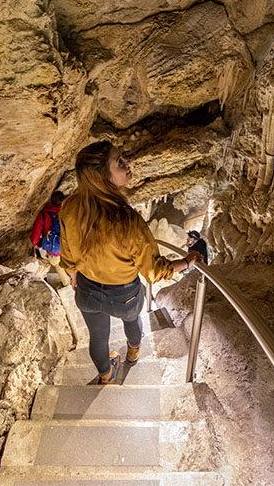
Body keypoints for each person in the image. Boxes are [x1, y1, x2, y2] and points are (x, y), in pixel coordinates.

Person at [59, 141, 202, 385]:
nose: (128, 164)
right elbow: (154, 271)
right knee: (133, 321)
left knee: (97, 336)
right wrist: (187, 261)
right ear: (104, 177)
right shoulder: (127, 220)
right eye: (120, 163)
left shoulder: (70, 207)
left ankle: (106, 375)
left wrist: (73, 274)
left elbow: (67, 252)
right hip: (124, 292)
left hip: (87, 289)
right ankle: (133, 352)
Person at [30, 190, 71, 288]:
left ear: (51, 201)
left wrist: (36, 244)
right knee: (70, 264)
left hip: (53, 249)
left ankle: (67, 284)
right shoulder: (68, 212)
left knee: (58, 266)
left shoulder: (43, 215)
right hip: (69, 247)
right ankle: (74, 279)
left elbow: (35, 236)